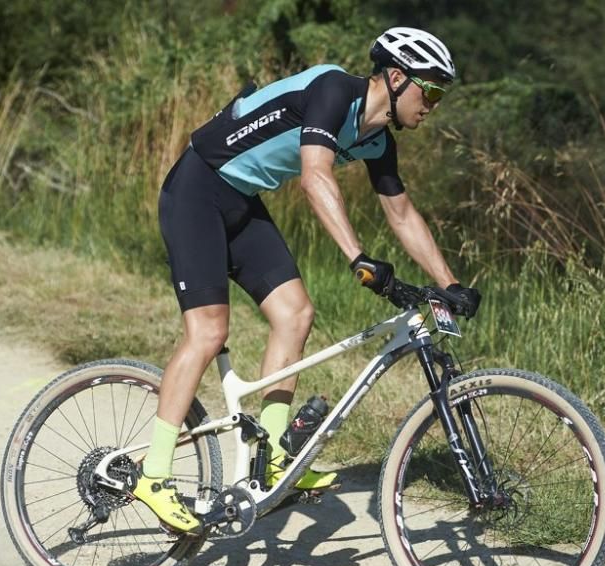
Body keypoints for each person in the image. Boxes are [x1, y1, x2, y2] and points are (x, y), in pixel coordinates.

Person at [132, 27, 481, 534]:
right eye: (430, 91)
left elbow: (401, 213)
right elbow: (315, 174)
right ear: (398, 77)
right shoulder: (334, 91)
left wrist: (450, 283)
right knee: (208, 332)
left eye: (440, 96)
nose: (433, 105)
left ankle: (271, 458)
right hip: (197, 187)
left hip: (241, 200)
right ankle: (155, 473)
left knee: (296, 314)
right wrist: (357, 256)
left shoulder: (376, 138)